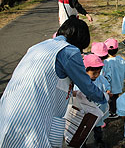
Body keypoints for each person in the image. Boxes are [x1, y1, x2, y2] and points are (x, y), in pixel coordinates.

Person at [0, 17, 106, 147]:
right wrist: (104, 98)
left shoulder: (39, 46)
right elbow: (87, 86)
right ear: (80, 39)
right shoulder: (69, 51)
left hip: (9, 108)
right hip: (31, 115)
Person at [73, 54, 109, 147]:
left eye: (99, 72)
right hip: (84, 114)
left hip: (98, 112)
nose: (97, 75)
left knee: (97, 128)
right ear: (85, 71)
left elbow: (107, 86)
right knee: (84, 131)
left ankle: (99, 140)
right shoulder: (79, 82)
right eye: (94, 73)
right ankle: (83, 144)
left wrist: (108, 90)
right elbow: (74, 94)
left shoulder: (100, 79)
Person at [102, 38, 125, 119]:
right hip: (119, 83)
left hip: (111, 86)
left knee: (111, 100)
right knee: (115, 98)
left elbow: (106, 76)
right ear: (117, 49)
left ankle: (113, 112)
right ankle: (115, 110)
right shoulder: (120, 59)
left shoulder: (106, 62)